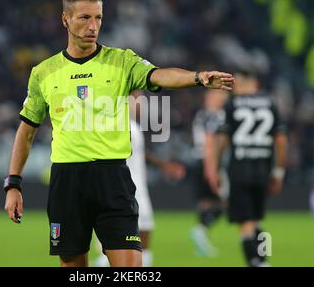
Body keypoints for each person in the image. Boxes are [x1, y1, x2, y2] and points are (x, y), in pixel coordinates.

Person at [3, 0, 234, 267]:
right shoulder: (43, 73)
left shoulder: (122, 61)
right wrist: (13, 184)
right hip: (67, 180)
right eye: (85, 18)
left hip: (113, 180)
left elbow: (160, 75)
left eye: (98, 18)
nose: (93, 26)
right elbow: (26, 132)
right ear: (65, 19)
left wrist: (197, 78)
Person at [93, 90, 186, 267]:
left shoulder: (131, 126)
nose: (141, 103)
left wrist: (163, 165)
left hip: (137, 189)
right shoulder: (115, 124)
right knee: (132, 242)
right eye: (138, 98)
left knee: (142, 240)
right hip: (126, 190)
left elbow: (139, 154)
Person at [209, 71, 287, 267]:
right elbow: (281, 140)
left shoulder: (232, 104)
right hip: (263, 169)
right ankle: (263, 259)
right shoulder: (271, 103)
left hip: (239, 169)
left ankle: (255, 262)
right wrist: (279, 171)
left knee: (246, 222)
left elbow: (222, 140)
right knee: (257, 219)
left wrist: (217, 169)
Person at [188, 89, 227, 257]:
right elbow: (211, 142)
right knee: (224, 201)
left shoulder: (202, 115)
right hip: (208, 161)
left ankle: (201, 241)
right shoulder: (213, 116)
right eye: (219, 95)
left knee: (207, 202)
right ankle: (200, 231)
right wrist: (212, 168)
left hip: (201, 159)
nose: (223, 98)